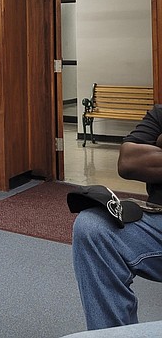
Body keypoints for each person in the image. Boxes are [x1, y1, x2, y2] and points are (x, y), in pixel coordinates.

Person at [72, 105, 162, 330]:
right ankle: (114, 333)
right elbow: (129, 162)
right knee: (93, 227)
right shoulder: (159, 113)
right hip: (158, 224)